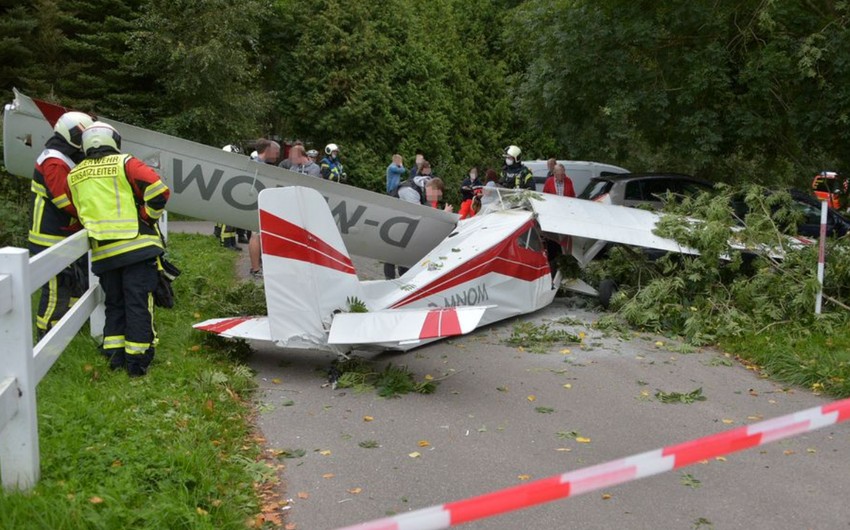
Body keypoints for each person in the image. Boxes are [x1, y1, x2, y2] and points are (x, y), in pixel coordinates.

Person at [65, 122, 170, 377]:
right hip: (136, 248)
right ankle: (138, 361)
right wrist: (147, 217)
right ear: (113, 140)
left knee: (115, 303)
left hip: (104, 253)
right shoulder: (126, 163)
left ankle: (115, 356)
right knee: (137, 303)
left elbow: (78, 211)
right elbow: (159, 191)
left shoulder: (74, 175)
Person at [28, 111, 94, 339]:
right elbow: (62, 199)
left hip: (64, 234)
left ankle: (72, 326)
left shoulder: (66, 156)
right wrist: (89, 215)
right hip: (49, 235)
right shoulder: (54, 160)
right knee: (57, 288)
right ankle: (47, 333)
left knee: (75, 282)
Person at [248, 139, 281, 278]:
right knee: (256, 234)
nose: (277, 155)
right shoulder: (257, 164)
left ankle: (257, 266)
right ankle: (255, 269)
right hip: (255, 204)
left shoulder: (257, 162)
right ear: (267, 150)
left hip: (258, 203)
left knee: (258, 234)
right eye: (275, 151)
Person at [216, 144, 245, 251]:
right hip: (226, 196)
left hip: (232, 195)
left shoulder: (231, 166)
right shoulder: (224, 165)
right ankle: (226, 243)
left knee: (233, 220)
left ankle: (232, 242)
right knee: (227, 221)